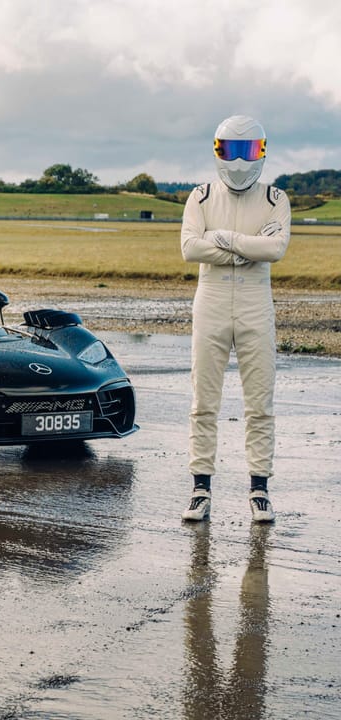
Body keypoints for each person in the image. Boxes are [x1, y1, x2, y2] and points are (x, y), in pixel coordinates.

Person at [180, 115, 291, 523]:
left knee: (259, 400)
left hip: (254, 303)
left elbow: (275, 249)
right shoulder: (202, 196)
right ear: (217, 151)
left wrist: (223, 238)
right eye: (231, 151)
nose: (240, 161)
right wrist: (247, 248)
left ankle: (259, 489)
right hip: (210, 299)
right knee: (203, 399)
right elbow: (190, 248)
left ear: (261, 151)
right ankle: (200, 488)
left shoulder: (276, 199)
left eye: (248, 151)